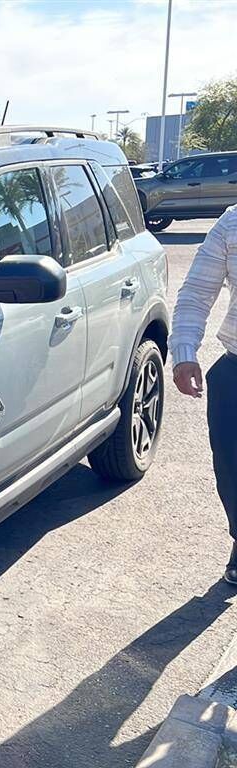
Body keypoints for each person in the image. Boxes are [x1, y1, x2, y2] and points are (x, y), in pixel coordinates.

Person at [170, 205, 237, 586]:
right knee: (232, 470)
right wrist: (184, 353)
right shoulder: (232, 223)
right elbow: (196, 292)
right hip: (236, 369)